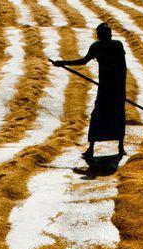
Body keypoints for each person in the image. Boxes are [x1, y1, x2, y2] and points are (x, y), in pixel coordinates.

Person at [51, 23, 127, 160]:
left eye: (106, 35)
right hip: (104, 86)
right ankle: (91, 148)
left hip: (116, 86)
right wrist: (63, 63)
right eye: (103, 35)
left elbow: (123, 68)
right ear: (99, 36)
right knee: (98, 115)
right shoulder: (96, 47)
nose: (105, 38)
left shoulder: (117, 46)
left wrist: (121, 88)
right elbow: (83, 61)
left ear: (110, 35)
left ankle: (121, 147)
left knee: (118, 115)